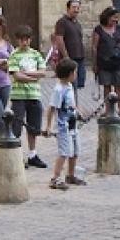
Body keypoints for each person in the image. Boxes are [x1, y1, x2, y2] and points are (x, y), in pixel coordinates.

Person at [7, 25, 48, 168]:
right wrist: (32, 76)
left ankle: (32, 154)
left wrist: (27, 74)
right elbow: (16, 75)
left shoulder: (36, 54)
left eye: (27, 39)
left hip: (34, 94)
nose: (24, 42)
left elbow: (43, 72)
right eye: (22, 40)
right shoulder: (14, 55)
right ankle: (16, 155)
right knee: (16, 125)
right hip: (19, 95)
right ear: (18, 40)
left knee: (34, 126)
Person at [44, 59, 85, 190]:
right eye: (75, 72)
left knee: (75, 151)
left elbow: (71, 104)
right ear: (69, 74)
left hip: (73, 125)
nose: (76, 74)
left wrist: (77, 112)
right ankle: (55, 178)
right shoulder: (58, 89)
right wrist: (49, 126)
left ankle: (70, 175)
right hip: (63, 127)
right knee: (64, 152)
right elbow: (51, 108)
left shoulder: (69, 86)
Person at [92, 6, 120, 117]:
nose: (115, 20)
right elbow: (94, 47)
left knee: (119, 86)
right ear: (107, 17)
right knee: (107, 86)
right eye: (113, 17)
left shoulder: (119, 29)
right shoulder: (98, 29)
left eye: (116, 18)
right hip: (104, 63)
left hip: (118, 61)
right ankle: (108, 109)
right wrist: (94, 64)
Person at [54, 0, 86, 89]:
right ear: (68, 8)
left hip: (79, 58)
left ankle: (74, 103)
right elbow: (59, 40)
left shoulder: (77, 24)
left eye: (78, 8)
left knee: (77, 85)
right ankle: (70, 103)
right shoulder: (62, 22)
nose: (76, 10)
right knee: (69, 86)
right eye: (74, 7)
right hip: (69, 59)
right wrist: (66, 57)